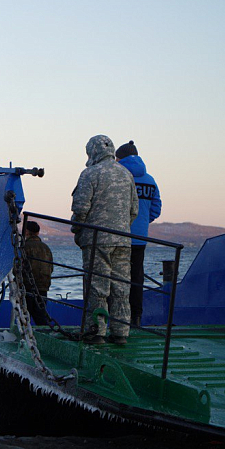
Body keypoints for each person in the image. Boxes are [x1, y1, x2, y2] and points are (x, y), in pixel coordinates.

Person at [71, 135, 138, 345]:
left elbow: (81, 208)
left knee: (97, 287)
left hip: (96, 240)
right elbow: (134, 209)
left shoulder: (90, 174)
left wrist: (77, 230)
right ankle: (120, 332)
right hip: (123, 240)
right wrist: (122, 228)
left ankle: (96, 331)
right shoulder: (127, 175)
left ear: (92, 151)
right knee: (121, 288)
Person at [116, 141, 162, 326]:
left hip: (119, 235)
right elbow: (156, 208)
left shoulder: (119, 178)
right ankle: (136, 317)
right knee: (137, 277)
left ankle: (118, 318)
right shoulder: (150, 180)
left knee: (116, 277)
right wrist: (142, 222)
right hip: (140, 238)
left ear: (120, 158)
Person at [22, 221, 53, 325]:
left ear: (26, 232)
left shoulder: (24, 247)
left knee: (25, 317)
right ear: (38, 232)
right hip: (43, 287)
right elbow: (51, 268)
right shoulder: (46, 248)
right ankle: (44, 332)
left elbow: (18, 267)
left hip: (27, 287)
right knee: (40, 316)